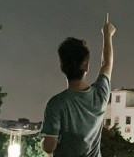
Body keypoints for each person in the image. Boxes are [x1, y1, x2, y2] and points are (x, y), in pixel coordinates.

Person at [41, 14, 116, 157]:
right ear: (86, 66)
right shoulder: (99, 95)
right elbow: (107, 64)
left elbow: (49, 146)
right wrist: (107, 35)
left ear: (62, 66)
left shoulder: (56, 104)